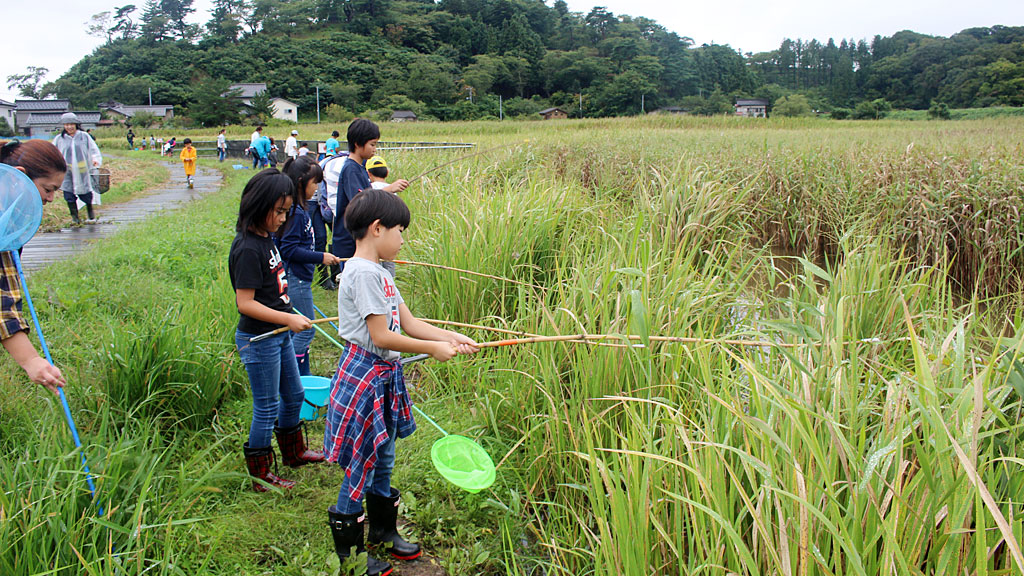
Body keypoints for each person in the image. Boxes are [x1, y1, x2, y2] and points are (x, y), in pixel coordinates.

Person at [325, 189, 478, 575]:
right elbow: (382, 336)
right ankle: (350, 555)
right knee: (361, 463)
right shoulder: (362, 274)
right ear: (377, 229)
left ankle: (382, 530)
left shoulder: (379, 272)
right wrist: (431, 349)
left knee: (384, 454)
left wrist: (449, 337)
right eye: (400, 230)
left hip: (383, 376)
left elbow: (408, 324)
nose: (403, 239)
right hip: (366, 375)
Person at [229, 169, 324, 493]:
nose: (283, 218)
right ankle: (261, 476)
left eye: (286, 212)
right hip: (259, 340)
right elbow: (246, 303)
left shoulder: (266, 239)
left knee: (295, 394)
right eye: (279, 211)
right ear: (259, 206)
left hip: (277, 335)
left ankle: (294, 452)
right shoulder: (246, 248)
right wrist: (287, 319)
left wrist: (287, 318)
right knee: (267, 405)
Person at [0, 140, 68, 395]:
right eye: (47, 189)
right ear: (19, 176)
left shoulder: (9, 214)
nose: (50, 198)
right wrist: (30, 360)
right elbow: (1, 299)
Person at [277, 157, 341, 375]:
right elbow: (288, 250)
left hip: (300, 277)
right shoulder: (294, 213)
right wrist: (320, 257)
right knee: (305, 329)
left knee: (298, 329)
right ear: (301, 182)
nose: (317, 189)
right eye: (315, 183)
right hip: (296, 278)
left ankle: (303, 375)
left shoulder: (300, 209)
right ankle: (290, 375)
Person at [329, 119, 408, 270]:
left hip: (357, 240)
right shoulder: (351, 169)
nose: (375, 149)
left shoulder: (360, 167)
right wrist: (389, 189)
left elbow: (366, 194)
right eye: (372, 144)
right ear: (358, 144)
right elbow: (362, 201)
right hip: (349, 241)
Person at [52, 112, 102, 225]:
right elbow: (53, 153)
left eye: (71, 124)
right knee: (69, 194)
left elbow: (93, 150)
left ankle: (90, 213)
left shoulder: (84, 136)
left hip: (82, 170)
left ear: (76, 124)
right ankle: (75, 218)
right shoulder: (59, 139)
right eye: (66, 124)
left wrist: (95, 160)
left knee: (86, 193)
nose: (69, 127)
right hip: (67, 171)